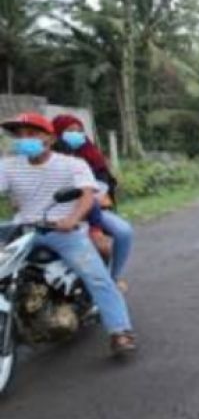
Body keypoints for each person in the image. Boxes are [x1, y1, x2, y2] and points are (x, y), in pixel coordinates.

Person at [0, 113, 136, 355]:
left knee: (96, 277)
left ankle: (120, 331)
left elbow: (86, 195)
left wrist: (71, 219)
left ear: (50, 139)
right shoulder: (8, 165)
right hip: (23, 229)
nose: (24, 140)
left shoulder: (72, 164)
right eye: (19, 135)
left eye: (31, 134)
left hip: (61, 229)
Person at [51, 114, 134, 291]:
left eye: (79, 131)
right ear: (57, 133)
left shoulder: (91, 154)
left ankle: (114, 277)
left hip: (92, 208)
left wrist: (92, 211)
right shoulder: (50, 156)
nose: (76, 134)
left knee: (123, 231)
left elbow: (102, 185)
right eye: (70, 131)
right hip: (58, 210)